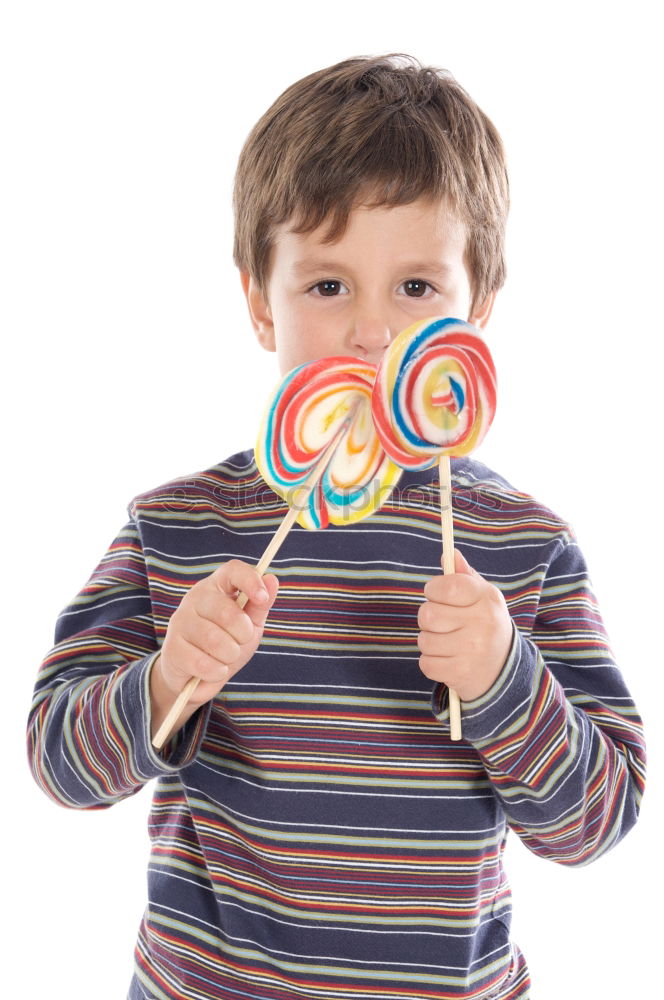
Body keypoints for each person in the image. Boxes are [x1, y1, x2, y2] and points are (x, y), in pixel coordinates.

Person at [27, 55, 646, 1000]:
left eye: (415, 289)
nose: (370, 333)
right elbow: (59, 761)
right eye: (326, 287)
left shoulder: (524, 546)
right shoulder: (179, 528)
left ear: (476, 308)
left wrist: (502, 677)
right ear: (255, 300)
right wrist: (164, 682)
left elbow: (596, 821)